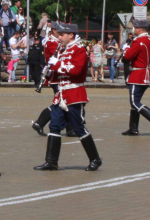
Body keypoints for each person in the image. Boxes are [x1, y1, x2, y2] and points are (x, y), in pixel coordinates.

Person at [33, 22, 102, 172]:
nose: (59, 37)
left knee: (78, 127)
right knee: (54, 126)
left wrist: (57, 64)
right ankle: (51, 161)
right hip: (61, 94)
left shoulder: (79, 50)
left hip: (74, 93)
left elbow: (76, 70)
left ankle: (95, 159)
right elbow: (59, 73)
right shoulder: (62, 49)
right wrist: (49, 72)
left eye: (62, 35)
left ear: (71, 35)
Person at [121, 20, 150, 137]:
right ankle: (133, 128)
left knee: (134, 103)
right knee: (136, 102)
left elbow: (127, 57)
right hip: (147, 74)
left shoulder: (138, 41)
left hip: (138, 75)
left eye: (135, 28)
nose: (134, 30)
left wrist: (126, 52)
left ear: (139, 29)